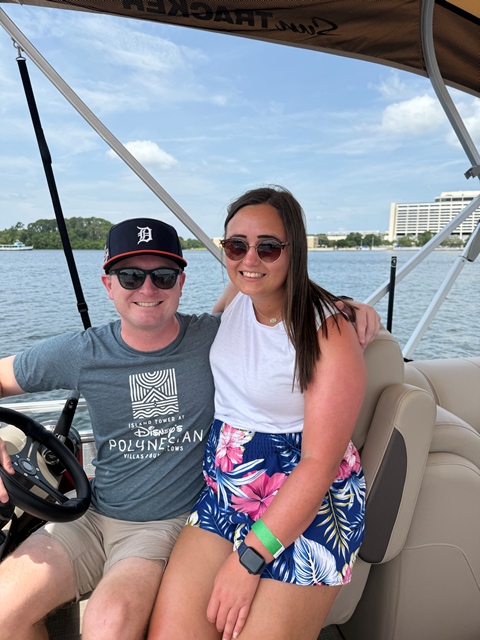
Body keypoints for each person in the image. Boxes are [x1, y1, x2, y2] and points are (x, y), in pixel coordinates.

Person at [0, 216, 377, 640]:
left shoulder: (216, 338)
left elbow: (269, 299)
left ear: (181, 283)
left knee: (108, 625)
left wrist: (344, 305)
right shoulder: (81, 352)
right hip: (89, 515)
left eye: (163, 276)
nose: (147, 289)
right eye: (130, 276)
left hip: (160, 528)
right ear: (108, 285)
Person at [148, 186, 368, 640]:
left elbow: (319, 463)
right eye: (236, 245)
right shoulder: (237, 297)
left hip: (307, 502)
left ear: (294, 250)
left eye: (268, 247)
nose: (250, 259)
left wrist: (249, 560)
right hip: (226, 494)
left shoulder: (327, 330)